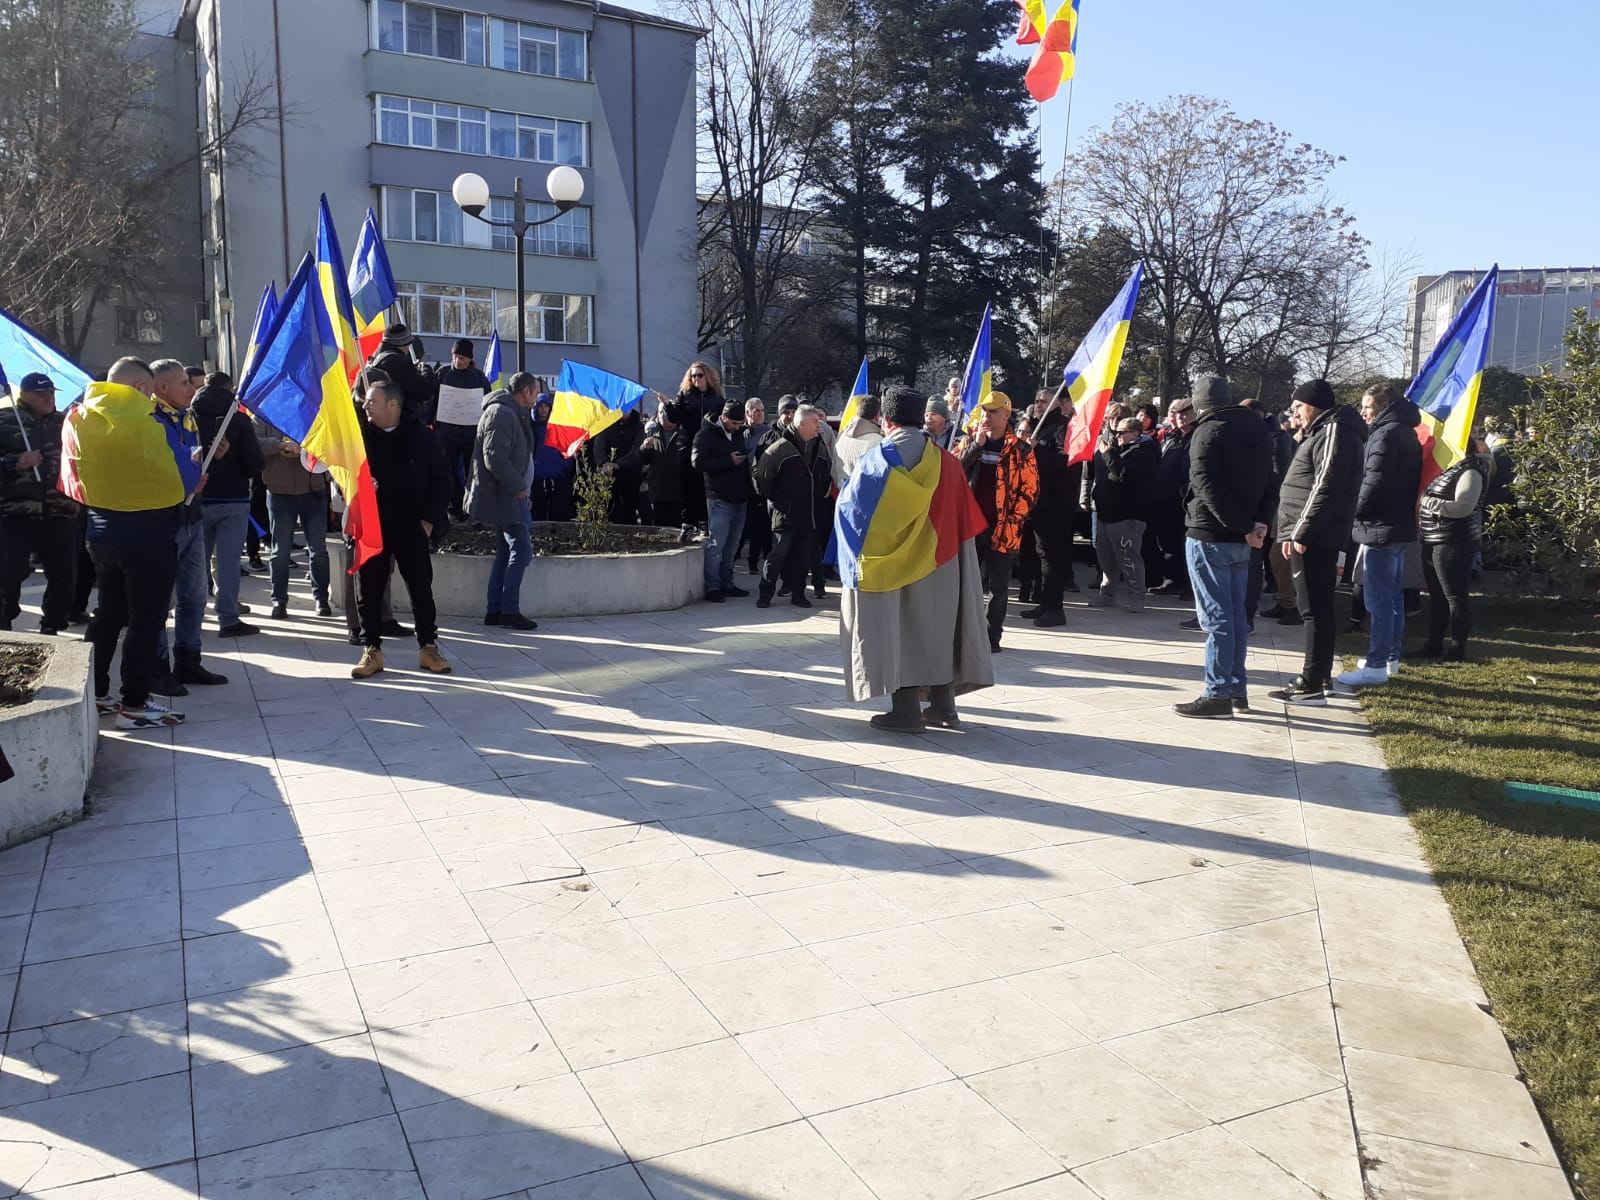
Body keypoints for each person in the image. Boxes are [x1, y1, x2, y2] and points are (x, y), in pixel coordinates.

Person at [832, 385, 992, 732]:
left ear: (885, 420)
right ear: (920, 418)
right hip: (942, 560)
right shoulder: (947, 462)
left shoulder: (877, 460)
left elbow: (853, 513)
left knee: (899, 629)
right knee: (937, 630)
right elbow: (964, 517)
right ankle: (943, 707)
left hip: (891, 566)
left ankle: (906, 713)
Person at [64, 358, 195, 730]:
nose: (153, 399)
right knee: (146, 620)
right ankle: (134, 703)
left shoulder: (78, 418)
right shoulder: (145, 423)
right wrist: (193, 469)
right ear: (139, 388)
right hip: (148, 533)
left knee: (108, 613)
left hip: (101, 531)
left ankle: (98, 691)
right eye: (151, 392)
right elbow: (182, 477)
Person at [1172, 376, 1277, 719]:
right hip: (1243, 535)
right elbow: (1269, 479)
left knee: (1218, 618)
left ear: (1199, 403)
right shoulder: (1258, 429)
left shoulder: (1207, 431)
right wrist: (1257, 523)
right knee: (1234, 616)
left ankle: (1217, 693)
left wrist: (1243, 525)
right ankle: (1236, 689)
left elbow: (1204, 485)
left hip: (1210, 534)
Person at [1269, 379, 1367, 706]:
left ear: (1314, 404)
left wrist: (1301, 533)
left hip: (1316, 536)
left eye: (1298, 406)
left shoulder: (1335, 431)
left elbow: (1325, 486)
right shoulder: (1322, 430)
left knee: (1313, 609)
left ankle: (1310, 682)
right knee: (1317, 607)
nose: (1294, 412)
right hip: (1310, 532)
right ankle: (1320, 675)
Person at [351, 379, 453, 679]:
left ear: (393, 405)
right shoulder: (361, 437)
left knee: (421, 587)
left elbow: (442, 480)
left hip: (412, 523)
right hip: (373, 525)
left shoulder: (421, 436)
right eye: (366, 402)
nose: (366, 406)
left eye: (372, 401)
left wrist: (428, 521)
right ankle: (372, 648)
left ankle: (428, 646)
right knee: (369, 588)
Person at [1336, 383, 1423, 689]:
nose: (1364, 412)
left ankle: (1375, 666)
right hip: (1397, 526)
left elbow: (1372, 481)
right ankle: (1390, 658)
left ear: (1384, 406)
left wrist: (1351, 513)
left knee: (1379, 601)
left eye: (1368, 406)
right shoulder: (1407, 430)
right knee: (1394, 598)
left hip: (1380, 527)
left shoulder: (1385, 434)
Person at [151, 360, 228, 691]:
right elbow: (154, 467)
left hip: (191, 516)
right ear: (162, 387)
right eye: (183, 383)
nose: (191, 388)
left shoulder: (188, 416)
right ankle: (156, 668)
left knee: (194, 594)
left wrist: (210, 458)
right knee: (158, 599)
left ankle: (188, 659)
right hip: (163, 519)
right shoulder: (149, 419)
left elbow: (190, 457)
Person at [957, 391, 1038, 651]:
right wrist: (975, 446)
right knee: (966, 585)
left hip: (1004, 529)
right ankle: (964, 634)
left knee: (998, 586)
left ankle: (992, 637)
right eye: (984, 411)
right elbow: (953, 470)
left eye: (992, 412)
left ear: (1006, 415)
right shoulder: (971, 440)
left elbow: (1031, 490)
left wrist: (1013, 519)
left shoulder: (1021, 450)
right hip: (971, 526)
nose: (987, 417)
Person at [0, 372, 78, 634]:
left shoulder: (65, 422)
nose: (48, 398)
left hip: (60, 511)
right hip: (16, 513)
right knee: (10, 574)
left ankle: (52, 626)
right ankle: (4, 623)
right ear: (24, 394)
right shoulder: (5, 421)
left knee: (64, 574)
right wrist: (14, 463)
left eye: (51, 393)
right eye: (41, 393)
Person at [466, 370, 539, 631]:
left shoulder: (510, 413)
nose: (538, 397)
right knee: (522, 550)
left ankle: (495, 610)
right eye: (536, 391)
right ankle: (508, 610)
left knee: (506, 551)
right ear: (526, 392)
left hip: (507, 495)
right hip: (507, 495)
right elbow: (495, 458)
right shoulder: (501, 413)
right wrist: (519, 487)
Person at [193, 371, 264, 639]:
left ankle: (194, 615)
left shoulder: (190, 416)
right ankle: (227, 617)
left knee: (195, 562)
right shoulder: (238, 420)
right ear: (229, 388)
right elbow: (255, 463)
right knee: (228, 561)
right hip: (233, 498)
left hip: (198, 496)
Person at [1412, 438, 1493, 662]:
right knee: (1437, 596)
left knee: (1454, 595)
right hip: (1435, 538)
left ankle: (1457, 648)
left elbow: (1463, 507)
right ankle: (1433, 644)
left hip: (1453, 541)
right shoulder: (1450, 470)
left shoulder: (1471, 471)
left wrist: (1428, 503)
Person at [753, 402, 831, 610]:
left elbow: (825, 475)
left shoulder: (820, 446)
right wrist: (779, 500)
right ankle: (765, 593)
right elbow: (763, 477)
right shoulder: (779, 449)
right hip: (785, 513)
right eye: (815, 422)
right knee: (778, 555)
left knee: (803, 557)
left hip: (809, 514)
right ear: (801, 423)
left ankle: (798, 594)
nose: (819, 425)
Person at [256, 410, 331, 620]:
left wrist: (309, 448)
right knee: (280, 551)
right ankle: (279, 600)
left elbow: (330, 440)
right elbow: (255, 441)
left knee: (318, 548)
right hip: (280, 491)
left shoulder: (315, 410)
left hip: (313, 488)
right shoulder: (266, 412)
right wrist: (279, 445)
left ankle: (321, 598)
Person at [1023, 387, 1082, 627]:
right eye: (1036, 400)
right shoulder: (1039, 426)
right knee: (1042, 554)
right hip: (1039, 501)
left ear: (1057, 403)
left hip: (1057, 503)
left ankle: (1055, 608)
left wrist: (1036, 449)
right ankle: (1045, 602)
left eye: (1044, 400)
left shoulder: (1063, 427)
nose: (1038, 404)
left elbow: (1067, 462)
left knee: (1055, 557)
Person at [1089, 416, 1160, 611]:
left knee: (1128, 558)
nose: (1118, 436)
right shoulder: (1117, 449)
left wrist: (1110, 454)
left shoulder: (1144, 452)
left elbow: (1123, 475)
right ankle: (1107, 594)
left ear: (1136, 434)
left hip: (1127, 515)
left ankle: (1137, 596)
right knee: (1106, 559)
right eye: (1116, 432)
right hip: (1106, 512)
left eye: (1122, 432)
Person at [691, 399, 751, 602]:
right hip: (719, 497)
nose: (737, 427)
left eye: (740, 424)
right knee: (716, 544)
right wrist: (728, 461)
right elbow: (697, 462)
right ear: (724, 418)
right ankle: (713, 586)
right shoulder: (705, 434)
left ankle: (727, 582)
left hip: (739, 497)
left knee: (732, 545)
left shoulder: (737, 433)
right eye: (734, 423)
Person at [432, 338, 493, 522]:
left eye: (462, 358)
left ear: (470, 360)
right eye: (456, 357)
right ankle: (454, 506)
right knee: (448, 471)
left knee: (472, 473)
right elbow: (432, 400)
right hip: (447, 434)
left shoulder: (478, 378)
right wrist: (429, 422)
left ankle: (472, 508)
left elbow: (487, 402)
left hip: (471, 435)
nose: (458, 361)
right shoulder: (442, 374)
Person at [1148, 396, 1195, 600]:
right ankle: (1172, 580)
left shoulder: (1197, 437)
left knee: (1184, 544)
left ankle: (1188, 585)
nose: (1179, 417)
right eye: (1176, 413)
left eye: (1184, 413)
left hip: (1183, 501)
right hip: (1164, 500)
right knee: (1168, 543)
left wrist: (1182, 492)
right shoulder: (1171, 437)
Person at [668, 361, 725, 526]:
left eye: (699, 375)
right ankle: (688, 522)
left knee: (705, 485)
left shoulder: (716, 398)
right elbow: (674, 417)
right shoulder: (684, 395)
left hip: (708, 446)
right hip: (687, 445)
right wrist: (667, 406)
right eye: (693, 376)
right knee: (687, 485)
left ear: (707, 376)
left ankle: (704, 521)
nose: (696, 379)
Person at [365, 323, 435, 424]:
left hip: (378, 418)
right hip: (401, 423)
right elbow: (424, 391)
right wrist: (425, 370)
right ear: (402, 343)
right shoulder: (399, 362)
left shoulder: (375, 359)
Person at [591, 404, 646, 525]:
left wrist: (619, 464)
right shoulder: (607, 423)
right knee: (611, 509)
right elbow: (599, 446)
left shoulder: (638, 426)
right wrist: (603, 463)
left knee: (629, 510)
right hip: (609, 476)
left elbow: (637, 449)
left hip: (631, 474)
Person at [640, 400, 690, 528]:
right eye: (660, 412)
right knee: (660, 529)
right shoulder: (653, 432)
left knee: (678, 528)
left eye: (665, 412)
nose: (662, 415)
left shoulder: (684, 432)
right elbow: (642, 460)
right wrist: (644, 448)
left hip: (679, 491)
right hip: (658, 491)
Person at [528, 388, 572, 521]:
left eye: (546, 406)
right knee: (538, 511)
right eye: (540, 406)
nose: (543, 409)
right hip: (536, 476)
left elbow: (566, 448)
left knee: (557, 511)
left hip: (556, 474)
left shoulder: (557, 427)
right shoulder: (530, 427)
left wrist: (564, 465)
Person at [739, 397, 771, 571]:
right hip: (742, 485)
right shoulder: (741, 433)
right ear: (748, 413)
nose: (760, 414)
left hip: (761, 486)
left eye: (762, 411)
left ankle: (757, 560)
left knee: (761, 526)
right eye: (756, 411)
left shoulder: (767, 433)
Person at [833, 394, 883, 485]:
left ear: (857, 412)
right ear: (877, 417)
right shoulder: (878, 442)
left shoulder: (841, 435)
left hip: (839, 492)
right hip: (860, 495)